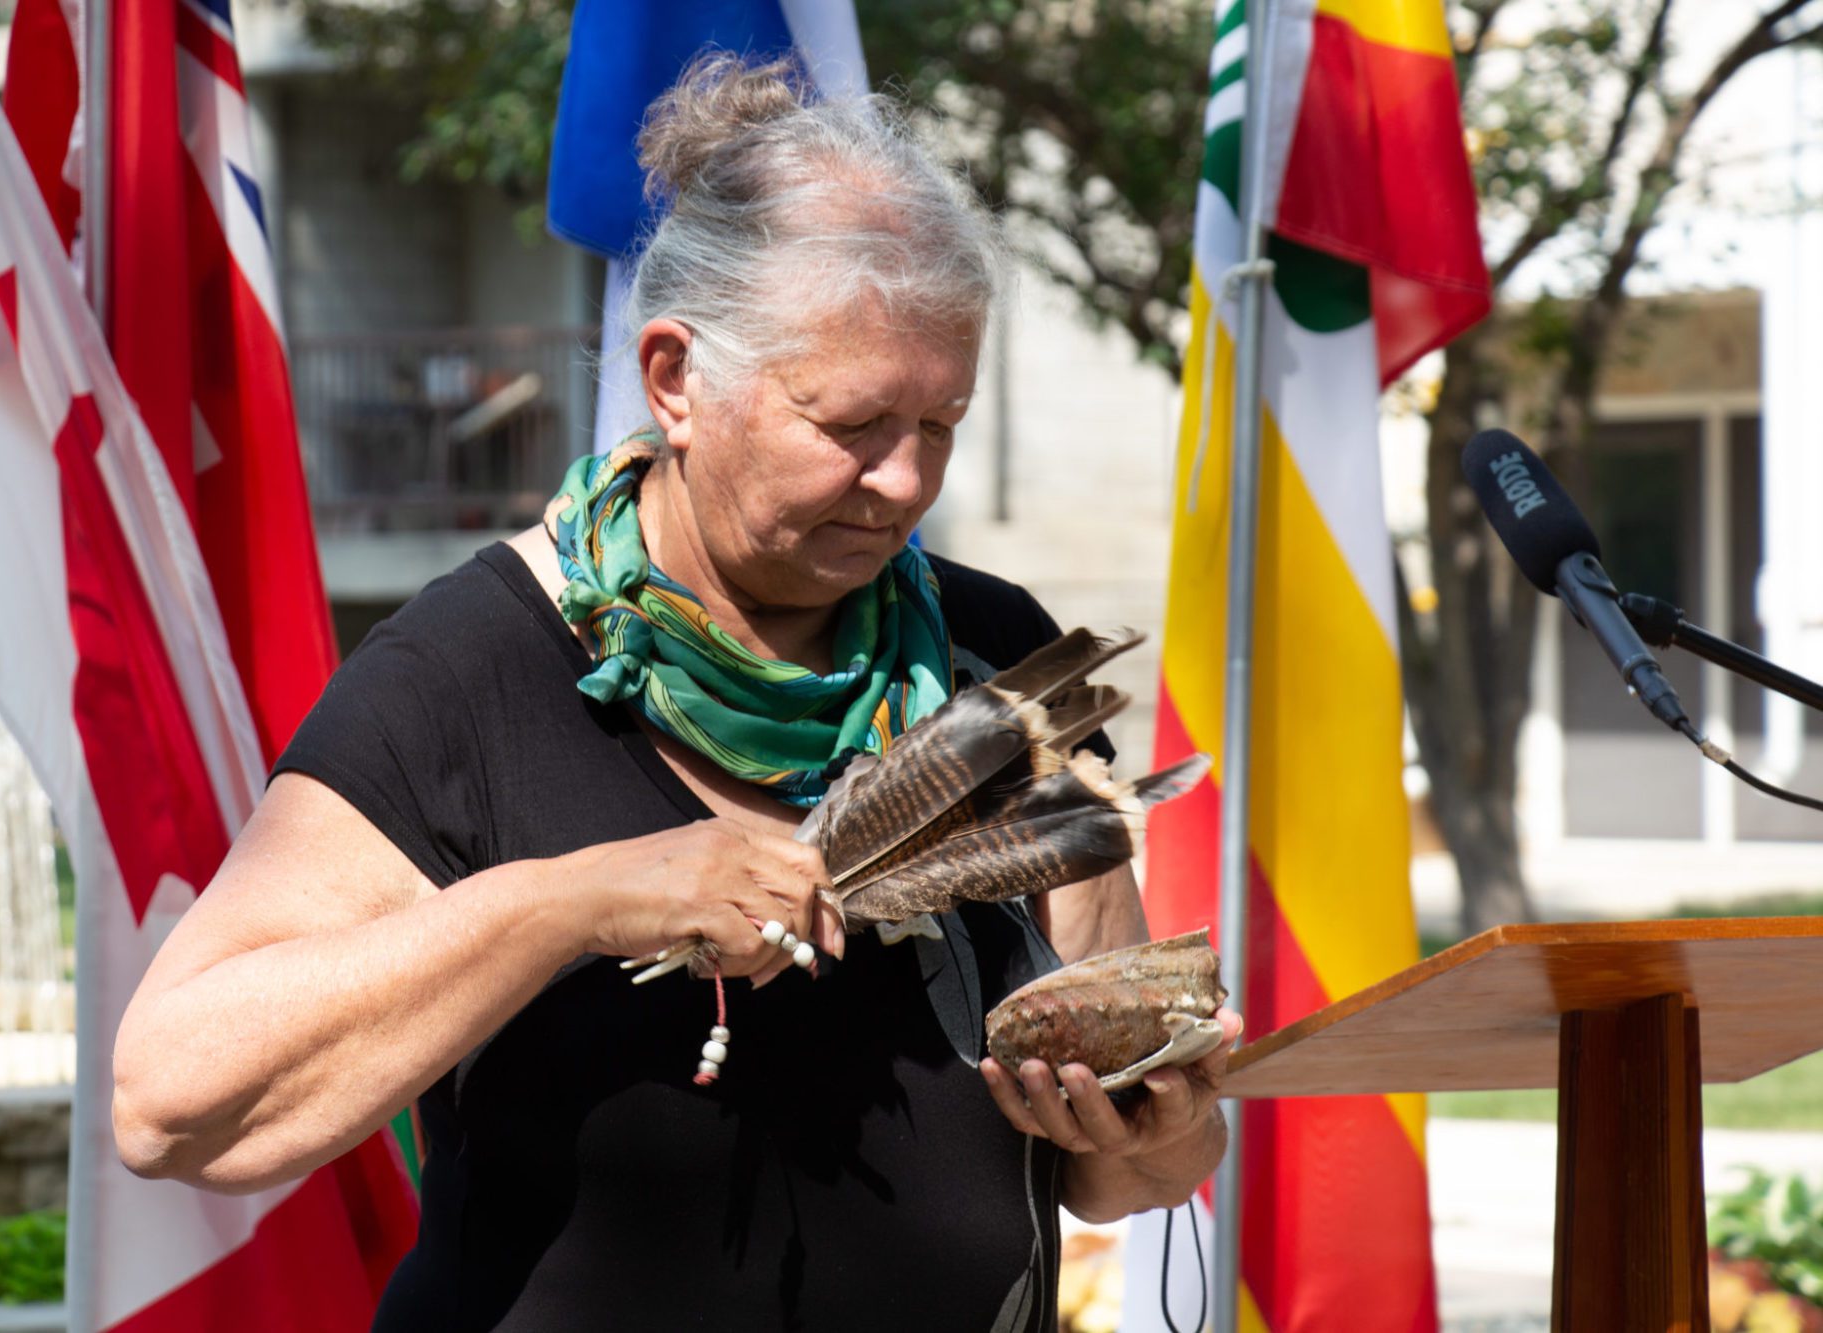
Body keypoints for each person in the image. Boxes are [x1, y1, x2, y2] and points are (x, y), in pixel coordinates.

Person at [111, 53, 1237, 1332]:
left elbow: (1118, 1167)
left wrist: (1157, 1129)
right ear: (671, 378)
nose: (903, 481)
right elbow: (169, 1103)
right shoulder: (468, 671)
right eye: (850, 423)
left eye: (940, 423)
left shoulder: (990, 652)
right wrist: (571, 900)